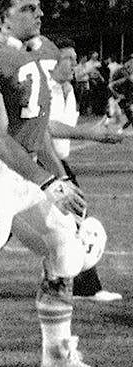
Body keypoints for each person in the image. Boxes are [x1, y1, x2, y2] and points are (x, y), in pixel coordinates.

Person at [0, 0, 118, 367]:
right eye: (26, 8)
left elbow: (36, 129)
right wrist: (49, 182)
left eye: (38, 7)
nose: (38, 14)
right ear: (2, 18)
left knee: (64, 250)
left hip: (28, 174)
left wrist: (60, 175)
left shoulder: (41, 49)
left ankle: (57, 357)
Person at [36, 40, 124, 303]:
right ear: (53, 62)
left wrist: (107, 126)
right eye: (69, 59)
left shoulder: (69, 89)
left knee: (75, 216)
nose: (75, 63)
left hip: (58, 163)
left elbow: (66, 127)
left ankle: (84, 285)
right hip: (40, 163)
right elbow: (46, 127)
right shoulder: (42, 89)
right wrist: (91, 134)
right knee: (2, 224)